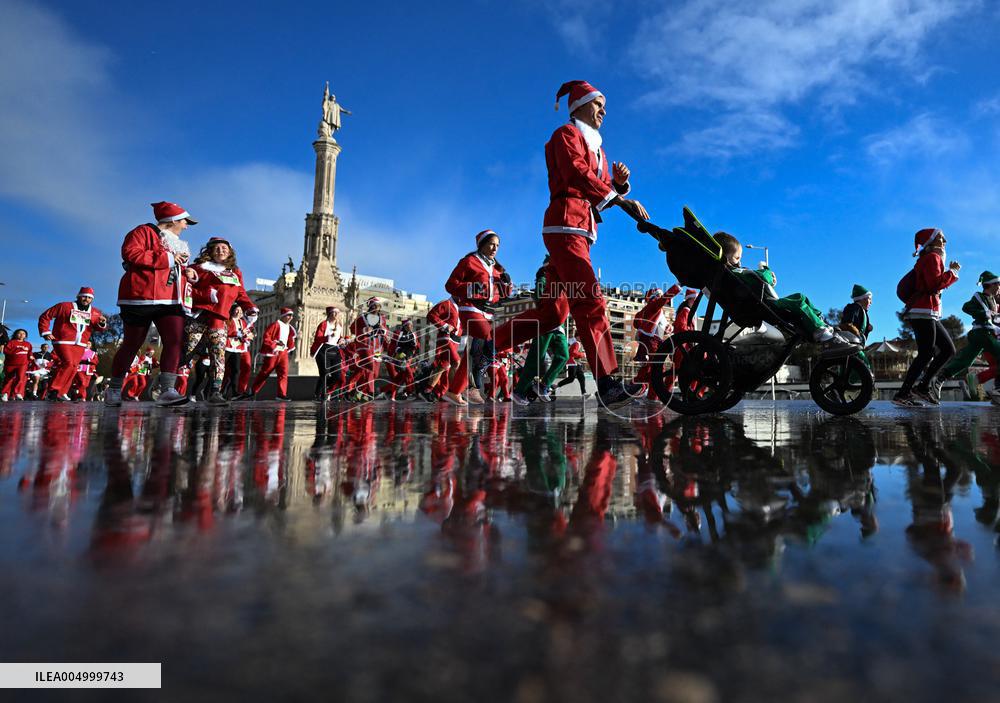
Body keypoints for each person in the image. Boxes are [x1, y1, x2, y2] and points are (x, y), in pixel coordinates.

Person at [489, 80, 650, 409]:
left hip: (580, 229)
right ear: (578, 106)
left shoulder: (600, 151)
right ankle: (606, 383)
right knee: (591, 301)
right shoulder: (566, 135)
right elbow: (576, 175)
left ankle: (489, 344)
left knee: (552, 315)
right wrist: (620, 198)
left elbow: (598, 192)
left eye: (605, 105)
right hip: (564, 225)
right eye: (598, 103)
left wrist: (617, 184)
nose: (604, 110)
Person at [109, 201, 198, 407]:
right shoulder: (143, 232)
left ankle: (167, 389)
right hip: (141, 296)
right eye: (184, 221)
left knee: (175, 341)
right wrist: (168, 257)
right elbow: (131, 254)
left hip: (172, 300)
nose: (186, 226)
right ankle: (114, 388)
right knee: (132, 344)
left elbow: (172, 269)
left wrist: (188, 273)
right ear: (173, 220)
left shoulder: (178, 244)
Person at [713, 233, 855, 352]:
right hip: (766, 306)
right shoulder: (735, 272)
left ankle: (822, 325)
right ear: (726, 256)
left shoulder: (730, 275)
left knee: (800, 297)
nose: (739, 262)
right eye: (737, 258)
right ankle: (824, 336)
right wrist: (767, 272)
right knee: (799, 302)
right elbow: (759, 277)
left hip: (762, 304)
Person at [183, 236, 258, 406]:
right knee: (187, 350)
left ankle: (215, 392)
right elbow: (187, 289)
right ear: (209, 251)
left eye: (224, 248)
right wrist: (205, 294)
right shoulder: (199, 267)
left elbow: (241, 294)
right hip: (199, 316)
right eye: (217, 248)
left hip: (220, 319)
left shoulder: (235, 272)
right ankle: (166, 386)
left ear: (230, 252)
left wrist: (250, 308)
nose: (221, 250)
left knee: (218, 355)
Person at [443, 229, 512, 406]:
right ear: (482, 244)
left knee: (476, 351)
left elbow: (503, 295)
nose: (495, 248)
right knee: (486, 340)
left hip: (488, 311)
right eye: (491, 244)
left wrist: (506, 284)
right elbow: (450, 285)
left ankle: (455, 391)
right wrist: (472, 289)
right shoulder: (469, 261)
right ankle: (472, 386)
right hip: (470, 308)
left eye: (497, 245)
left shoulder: (496, 267)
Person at [895, 228, 961, 407]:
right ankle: (904, 393)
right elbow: (934, 285)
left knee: (947, 349)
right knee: (927, 352)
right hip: (922, 311)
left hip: (927, 312)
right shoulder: (933, 258)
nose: (945, 240)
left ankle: (922, 387)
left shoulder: (933, 258)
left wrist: (948, 272)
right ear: (930, 242)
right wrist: (952, 272)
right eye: (941, 238)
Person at [511, 256, 571, 405]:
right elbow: (538, 297)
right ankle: (519, 391)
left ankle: (543, 385)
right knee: (536, 359)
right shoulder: (544, 278)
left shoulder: (561, 281)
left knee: (563, 356)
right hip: (546, 321)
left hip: (559, 326)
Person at [936, 271, 1000, 403]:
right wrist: (985, 313)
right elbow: (966, 307)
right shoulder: (979, 296)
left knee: (966, 359)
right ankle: (997, 389)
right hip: (983, 333)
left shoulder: (993, 300)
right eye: (998, 284)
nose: (999, 287)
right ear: (990, 285)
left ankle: (943, 376)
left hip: (984, 334)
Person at [37, 286, 108, 401]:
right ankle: (53, 390)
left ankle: (62, 392)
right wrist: (46, 331)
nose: (86, 299)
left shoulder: (95, 312)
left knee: (74, 368)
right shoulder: (64, 306)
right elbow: (46, 316)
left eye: (89, 298)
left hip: (80, 343)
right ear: (78, 296)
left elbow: (98, 328)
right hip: (63, 340)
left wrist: (102, 323)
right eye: (84, 296)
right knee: (69, 363)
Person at [632, 284, 682, 395]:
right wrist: (677, 287)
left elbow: (660, 328)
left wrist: (669, 327)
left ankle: (637, 387)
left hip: (653, 341)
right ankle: (651, 394)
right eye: (659, 295)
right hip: (651, 341)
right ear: (654, 297)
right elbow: (664, 299)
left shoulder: (656, 311)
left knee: (650, 368)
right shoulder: (654, 306)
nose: (661, 298)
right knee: (658, 368)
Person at [345, 297, 389, 401]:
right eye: (373, 306)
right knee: (370, 367)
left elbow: (385, 329)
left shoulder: (382, 318)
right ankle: (369, 392)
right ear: (369, 307)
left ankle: (357, 391)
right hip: (365, 346)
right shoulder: (363, 318)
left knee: (375, 373)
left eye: (377, 306)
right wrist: (364, 330)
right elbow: (352, 328)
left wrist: (384, 331)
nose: (376, 308)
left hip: (378, 347)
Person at [251, 308, 297, 401]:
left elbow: (290, 339)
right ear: (283, 316)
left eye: (292, 315)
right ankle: (253, 391)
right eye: (289, 315)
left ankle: (281, 394)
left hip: (283, 352)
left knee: (283, 374)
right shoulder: (275, 324)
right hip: (273, 352)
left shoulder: (289, 327)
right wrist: (274, 344)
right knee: (265, 372)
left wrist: (290, 348)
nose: (291, 317)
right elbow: (266, 337)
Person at [424, 297, 462, 402]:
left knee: (443, 366)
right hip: (446, 337)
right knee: (457, 362)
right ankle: (453, 392)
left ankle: (429, 391)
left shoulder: (462, 306)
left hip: (456, 341)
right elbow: (431, 315)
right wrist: (444, 325)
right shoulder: (447, 303)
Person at [310, 306, 344, 400]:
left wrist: (341, 340)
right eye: (334, 312)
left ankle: (321, 390)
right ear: (330, 314)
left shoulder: (339, 326)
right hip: (324, 349)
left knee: (337, 375)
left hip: (335, 350)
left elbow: (339, 338)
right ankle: (320, 394)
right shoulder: (324, 324)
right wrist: (328, 337)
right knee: (324, 373)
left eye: (338, 312)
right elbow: (317, 337)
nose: (337, 315)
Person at [222, 305, 255, 399]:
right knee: (223, 369)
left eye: (240, 310)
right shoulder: (228, 320)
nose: (238, 312)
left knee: (236, 370)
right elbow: (227, 332)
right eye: (237, 310)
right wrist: (239, 334)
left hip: (237, 348)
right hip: (228, 347)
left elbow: (246, 333)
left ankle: (234, 392)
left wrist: (248, 336)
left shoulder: (243, 322)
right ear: (232, 311)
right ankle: (217, 390)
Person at [384, 318, 420, 401]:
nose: (411, 326)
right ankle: (410, 392)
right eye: (409, 325)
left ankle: (388, 392)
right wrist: (397, 352)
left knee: (401, 377)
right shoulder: (398, 334)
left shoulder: (414, 335)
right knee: (408, 373)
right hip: (399, 357)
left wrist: (415, 356)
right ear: (404, 326)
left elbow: (417, 346)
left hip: (409, 358)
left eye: (411, 325)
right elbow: (393, 346)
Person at [1, 329, 32, 401]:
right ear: (15, 334)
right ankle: (5, 393)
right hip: (11, 364)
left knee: (20, 378)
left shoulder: (28, 344)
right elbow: (6, 351)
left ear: (25, 336)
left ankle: (17, 393)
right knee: (9, 379)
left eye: (23, 333)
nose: (21, 335)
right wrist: (18, 350)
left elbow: (29, 353)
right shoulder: (11, 342)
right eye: (19, 333)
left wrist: (31, 357)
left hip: (23, 364)